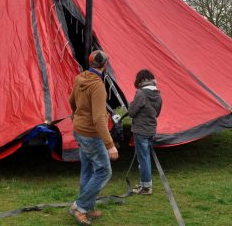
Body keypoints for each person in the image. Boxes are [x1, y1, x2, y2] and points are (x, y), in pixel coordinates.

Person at [68, 50, 119, 226]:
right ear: (104, 65)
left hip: (79, 130)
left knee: (88, 169)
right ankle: (80, 207)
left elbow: (71, 100)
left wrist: (76, 114)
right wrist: (110, 145)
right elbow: (98, 119)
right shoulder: (97, 86)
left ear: (91, 63)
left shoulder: (80, 77)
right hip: (91, 134)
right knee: (104, 171)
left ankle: (87, 207)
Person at [127, 69, 162, 195]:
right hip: (151, 129)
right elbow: (157, 113)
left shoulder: (141, 93)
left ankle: (146, 186)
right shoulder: (157, 94)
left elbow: (131, 112)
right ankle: (144, 183)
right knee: (145, 157)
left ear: (140, 80)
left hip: (141, 130)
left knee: (143, 159)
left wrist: (131, 104)